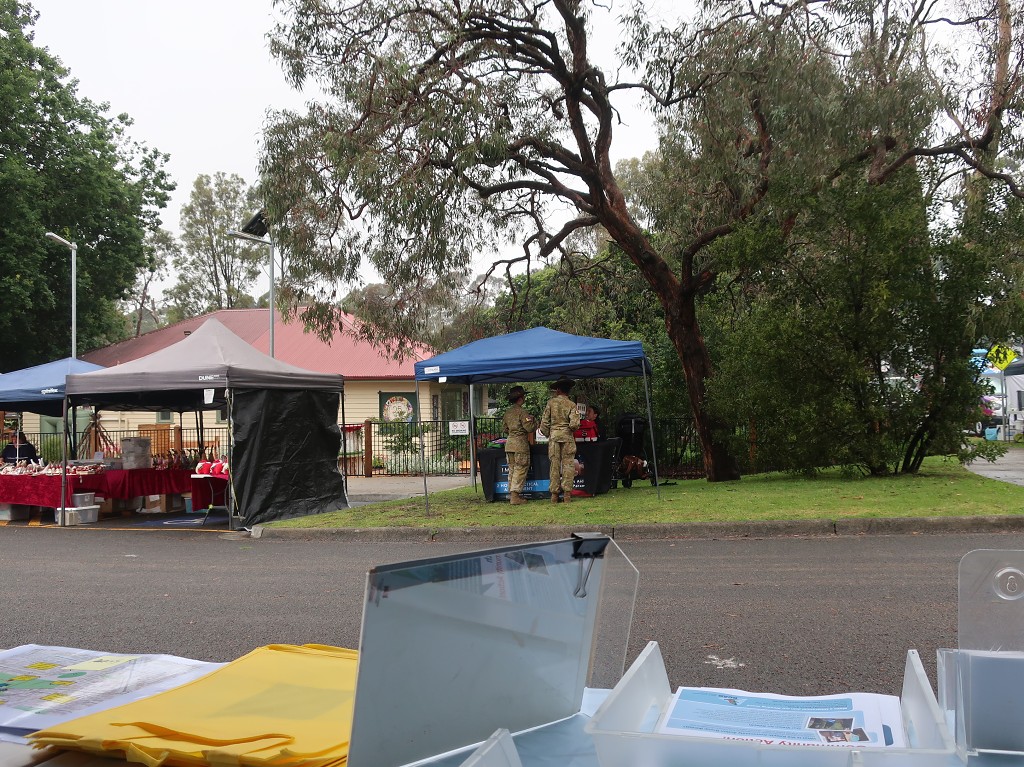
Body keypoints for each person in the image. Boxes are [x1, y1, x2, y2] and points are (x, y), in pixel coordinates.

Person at [540, 377, 581, 503]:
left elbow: (544, 424)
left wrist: (550, 433)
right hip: (567, 438)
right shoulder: (572, 405)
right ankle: (567, 495)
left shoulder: (550, 403)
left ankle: (554, 495)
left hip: (554, 437)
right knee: (568, 465)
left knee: (554, 465)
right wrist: (568, 430)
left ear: (558, 390)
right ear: (568, 390)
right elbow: (574, 424)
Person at [501, 386, 536, 505]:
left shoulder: (507, 412)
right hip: (520, 445)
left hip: (509, 444)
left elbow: (504, 428)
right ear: (520, 398)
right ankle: (515, 496)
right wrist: (533, 421)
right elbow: (529, 428)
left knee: (512, 469)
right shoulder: (522, 412)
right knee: (520, 469)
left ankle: (511, 494)